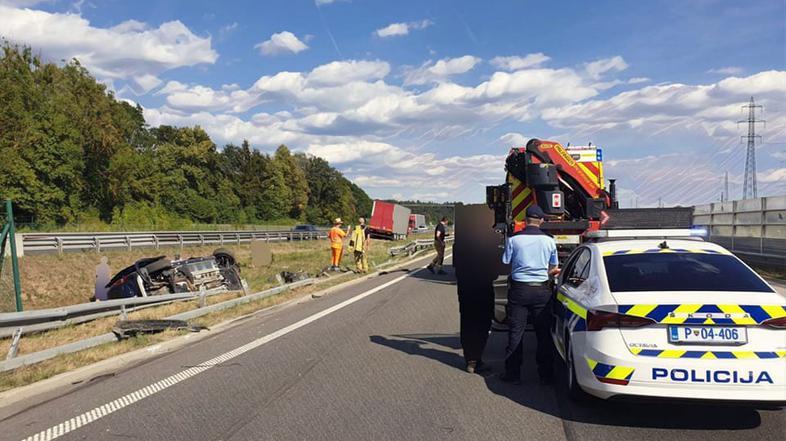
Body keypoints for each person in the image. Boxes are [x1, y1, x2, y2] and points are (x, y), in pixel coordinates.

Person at [501, 205, 560, 385]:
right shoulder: (549, 241)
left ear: (525, 220)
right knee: (543, 334)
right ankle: (545, 375)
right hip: (542, 291)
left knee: (515, 332)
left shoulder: (514, 239)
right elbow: (553, 267)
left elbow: (505, 261)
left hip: (519, 291)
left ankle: (512, 374)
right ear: (541, 220)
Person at [453, 206, 499, 374]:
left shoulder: (459, 243)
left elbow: (456, 267)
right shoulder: (489, 240)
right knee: (483, 321)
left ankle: (470, 358)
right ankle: (477, 358)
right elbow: (496, 268)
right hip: (483, 286)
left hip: (465, 288)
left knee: (467, 321)